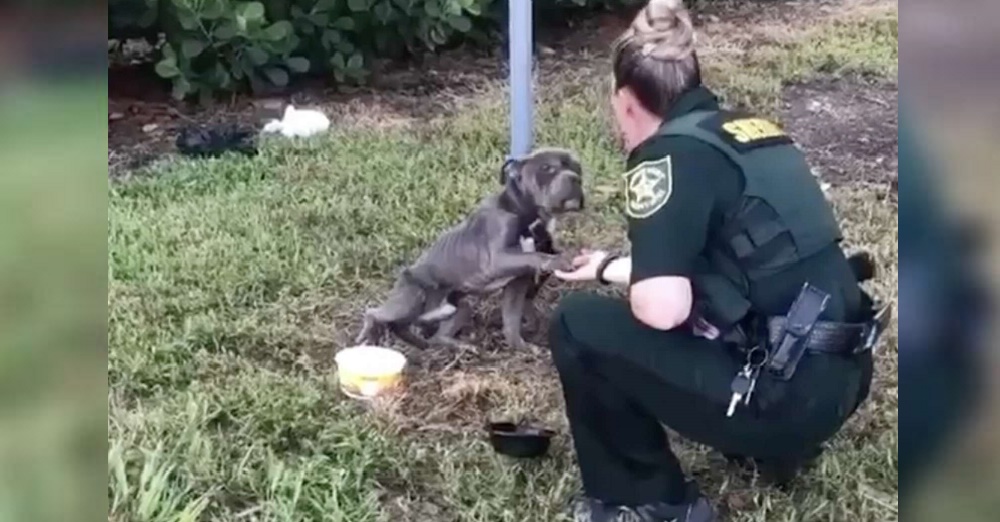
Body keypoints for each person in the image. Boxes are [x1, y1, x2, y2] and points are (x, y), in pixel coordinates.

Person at [547, 1, 891, 520]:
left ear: (626, 100)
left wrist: (621, 284)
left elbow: (661, 310)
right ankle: (774, 445)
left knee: (577, 324)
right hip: (840, 381)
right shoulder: (751, 132)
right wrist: (608, 267)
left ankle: (645, 498)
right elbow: (739, 270)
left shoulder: (664, 157)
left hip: (781, 402)